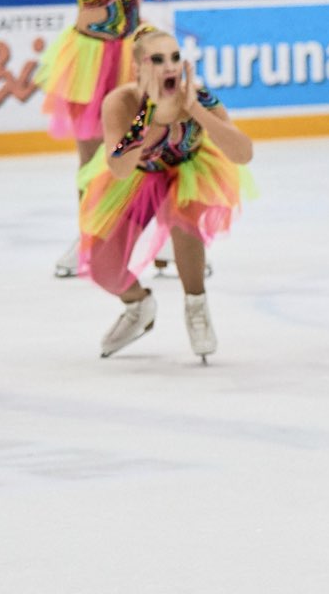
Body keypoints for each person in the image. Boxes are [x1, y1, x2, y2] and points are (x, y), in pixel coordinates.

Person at [78, 27, 254, 363]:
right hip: (136, 179)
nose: (170, 66)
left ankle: (196, 305)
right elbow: (121, 168)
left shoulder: (199, 97)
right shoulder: (121, 102)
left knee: (183, 216)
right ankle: (138, 305)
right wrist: (146, 110)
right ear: (138, 68)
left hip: (188, 172)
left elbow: (243, 153)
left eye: (174, 57)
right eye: (157, 60)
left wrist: (195, 109)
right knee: (103, 269)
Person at [36, 0, 171, 279]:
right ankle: (89, 238)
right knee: (93, 154)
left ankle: (160, 240)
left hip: (133, 57)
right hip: (90, 59)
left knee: (148, 148)